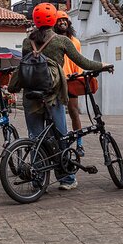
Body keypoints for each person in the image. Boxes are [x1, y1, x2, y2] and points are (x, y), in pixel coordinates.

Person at [21, 3, 107, 191]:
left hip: (31, 97)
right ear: (53, 19)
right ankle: (66, 178)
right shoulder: (61, 41)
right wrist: (103, 65)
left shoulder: (28, 42)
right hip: (52, 96)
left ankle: (38, 178)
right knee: (60, 136)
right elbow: (83, 62)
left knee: (35, 138)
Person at [54, 10, 86, 157]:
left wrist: (78, 76)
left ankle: (79, 144)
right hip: (57, 82)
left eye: (64, 20)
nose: (62, 22)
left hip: (72, 80)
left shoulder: (75, 42)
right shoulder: (53, 40)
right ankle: (60, 142)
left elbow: (77, 61)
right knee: (57, 114)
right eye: (59, 20)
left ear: (68, 23)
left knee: (74, 112)